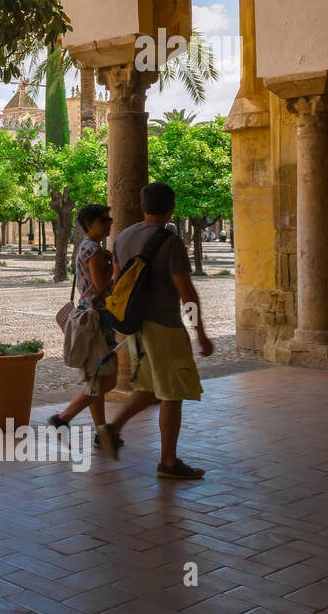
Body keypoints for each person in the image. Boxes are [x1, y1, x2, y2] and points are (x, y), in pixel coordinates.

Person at [105, 182, 214, 480]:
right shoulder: (170, 242)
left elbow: (117, 283)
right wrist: (200, 333)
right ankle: (168, 462)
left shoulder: (123, 237)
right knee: (172, 394)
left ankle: (112, 428)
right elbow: (186, 292)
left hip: (135, 326)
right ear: (171, 208)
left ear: (142, 207)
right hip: (164, 326)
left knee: (147, 388)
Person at [48, 204, 122, 457]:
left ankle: (102, 432)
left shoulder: (86, 247)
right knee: (107, 378)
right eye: (104, 220)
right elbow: (101, 284)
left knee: (96, 377)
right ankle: (63, 417)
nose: (109, 224)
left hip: (89, 316)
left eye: (109, 219)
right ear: (90, 224)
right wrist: (117, 267)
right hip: (98, 319)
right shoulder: (94, 250)